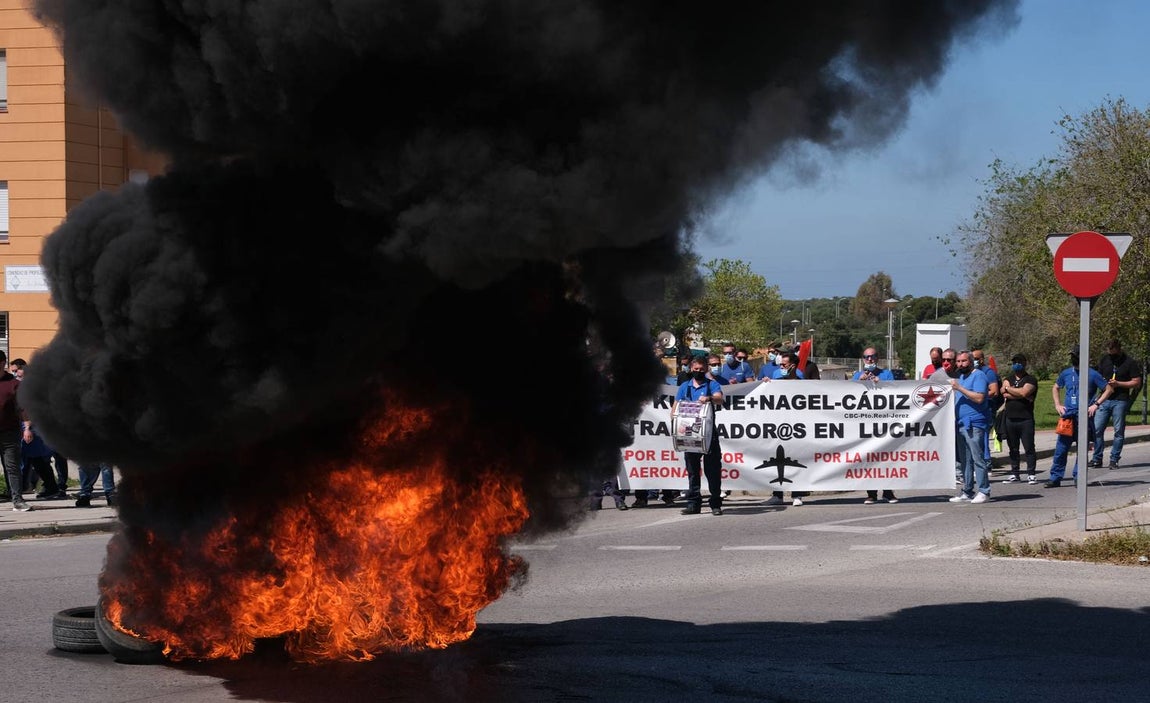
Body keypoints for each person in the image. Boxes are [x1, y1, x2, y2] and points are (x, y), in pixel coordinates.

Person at [1047, 349, 1112, 488]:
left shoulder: (1093, 374)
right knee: (1061, 449)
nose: (1074, 359)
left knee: (1082, 449)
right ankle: (1055, 477)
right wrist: (1057, 404)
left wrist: (1096, 404)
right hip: (1068, 417)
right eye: (1072, 356)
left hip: (1084, 417)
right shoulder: (1066, 373)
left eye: (1076, 356)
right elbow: (1056, 387)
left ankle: (1079, 476)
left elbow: (1108, 389)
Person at [673, 356, 724, 515]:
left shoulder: (712, 384)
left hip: (708, 435)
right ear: (691, 369)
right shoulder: (684, 387)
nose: (699, 372)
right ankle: (693, 504)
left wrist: (709, 398)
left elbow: (720, 399)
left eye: (702, 370)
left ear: (706, 369)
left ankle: (715, 503)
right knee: (693, 471)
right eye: (696, 370)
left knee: (713, 470)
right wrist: (677, 423)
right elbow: (674, 409)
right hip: (689, 435)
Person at [852, 347, 897, 504]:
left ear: (877, 358)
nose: (869, 359)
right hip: (866, 422)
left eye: (872, 357)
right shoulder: (857, 375)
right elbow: (847, 394)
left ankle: (888, 492)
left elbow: (897, 391)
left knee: (886, 458)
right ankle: (871, 493)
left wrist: (882, 384)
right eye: (866, 357)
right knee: (869, 458)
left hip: (885, 421)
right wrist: (860, 382)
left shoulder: (887, 374)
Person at [1090, 339, 1142, 470]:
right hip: (1104, 399)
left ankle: (1114, 459)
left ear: (1119, 349)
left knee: (1118, 430)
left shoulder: (1129, 362)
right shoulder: (1104, 360)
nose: (1111, 356)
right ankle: (1097, 458)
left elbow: (1136, 382)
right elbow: (1098, 376)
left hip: (1120, 399)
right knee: (1097, 429)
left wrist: (1119, 384)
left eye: (1113, 353)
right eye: (1109, 353)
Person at [765, 350, 809, 506]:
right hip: (777, 422)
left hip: (795, 423)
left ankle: (797, 494)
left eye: (785, 364)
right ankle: (777, 494)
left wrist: (792, 376)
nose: (781, 367)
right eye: (780, 364)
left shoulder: (800, 376)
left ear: (793, 365)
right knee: (777, 460)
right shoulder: (776, 373)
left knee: (795, 457)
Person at [948, 350, 991, 504]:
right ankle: (967, 490)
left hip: (974, 423)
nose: (961, 364)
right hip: (961, 423)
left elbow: (979, 397)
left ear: (971, 361)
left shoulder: (978, 375)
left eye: (964, 361)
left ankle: (984, 490)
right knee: (965, 460)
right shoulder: (961, 377)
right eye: (958, 361)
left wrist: (959, 388)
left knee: (977, 458)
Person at [998, 353, 1038, 484]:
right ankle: (1015, 473)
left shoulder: (1030, 379)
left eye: (1019, 361)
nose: (1017, 364)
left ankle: (1031, 474)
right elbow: (1003, 392)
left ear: (1025, 363)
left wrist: (1010, 389)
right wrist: (1016, 393)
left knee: (1029, 447)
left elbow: (1025, 392)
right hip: (1010, 418)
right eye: (1015, 362)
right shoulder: (1008, 378)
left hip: (1025, 419)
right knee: (1013, 448)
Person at [0, 351, 31, 512]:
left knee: (12, 467)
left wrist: (27, 427)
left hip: (9, 432)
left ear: (2, 363)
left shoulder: (13, 384)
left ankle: (17, 500)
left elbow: (22, 409)